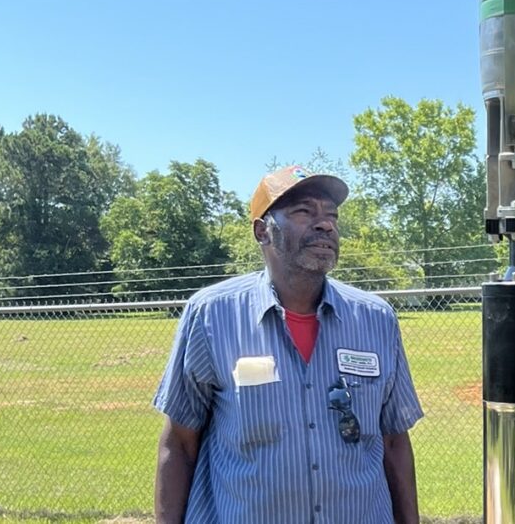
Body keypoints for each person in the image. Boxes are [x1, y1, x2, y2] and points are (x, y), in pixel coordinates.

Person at [153, 166, 424, 524]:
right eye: (303, 212)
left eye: (331, 215)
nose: (325, 224)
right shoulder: (210, 316)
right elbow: (180, 444)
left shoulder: (376, 318)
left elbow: (393, 442)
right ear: (262, 231)